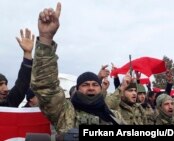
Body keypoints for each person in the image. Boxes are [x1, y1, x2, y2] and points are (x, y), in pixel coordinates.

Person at [31, 3, 125, 136]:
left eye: (95, 84)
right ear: (77, 89)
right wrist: (46, 39)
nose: (91, 88)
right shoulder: (65, 112)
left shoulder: (114, 117)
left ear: (101, 89)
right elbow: (45, 86)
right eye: (85, 85)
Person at [0, 28, 34, 107]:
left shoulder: (8, 103)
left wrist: (27, 53)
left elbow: (22, 84)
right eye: (0, 84)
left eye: (5, 84)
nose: (5, 89)